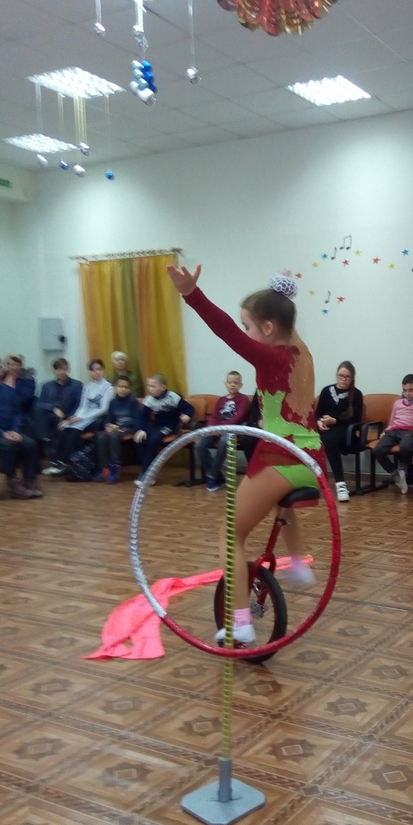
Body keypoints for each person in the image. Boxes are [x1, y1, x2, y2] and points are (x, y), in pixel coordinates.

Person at [167, 263, 324, 646]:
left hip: (282, 457)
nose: (246, 334)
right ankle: (298, 562)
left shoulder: (272, 358)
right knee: (278, 503)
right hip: (312, 460)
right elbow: (279, 324)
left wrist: (192, 295)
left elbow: (226, 332)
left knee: (229, 533)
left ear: (268, 328)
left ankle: (239, 622)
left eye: (249, 326)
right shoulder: (302, 352)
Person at [0, 353, 42, 499]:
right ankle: (13, 483)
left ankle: (29, 480)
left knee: (30, 443)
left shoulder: (9, 391)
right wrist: (2, 433)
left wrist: (15, 430)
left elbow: (17, 413)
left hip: (10, 431)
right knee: (7, 445)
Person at [48, 359, 114, 474]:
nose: (96, 372)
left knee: (73, 430)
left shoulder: (108, 388)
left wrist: (82, 418)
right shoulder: (87, 386)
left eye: (99, 369)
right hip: (85, 417)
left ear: (103, 370)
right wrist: (73, 418)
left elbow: (103, 409)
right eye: (93, 370)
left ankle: (63, 462)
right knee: (65, 427)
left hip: (99, 418)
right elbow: (83, 407)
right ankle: (57, 461)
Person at [373, 374, 413, 494]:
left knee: (405, 446)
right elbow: (392, 422)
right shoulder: (398, 403)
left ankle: (403, 470)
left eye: (411, 390)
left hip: (410, 430)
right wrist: (386, 431)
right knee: (378, 449)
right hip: (394, 430)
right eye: (405, 390)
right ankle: (395, 475)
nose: (407, 393)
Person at [196, 371, 253, 492]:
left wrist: (221, 428)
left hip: (233, 429)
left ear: (240, 385)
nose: (233, 385)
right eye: (230, 382)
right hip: (217, 429)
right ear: (225, 384)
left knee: (224, 441)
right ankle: (218, 476)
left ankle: (212, 475)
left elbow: (239, 417)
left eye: (236, 383)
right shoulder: (221, 399)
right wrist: (212, 428)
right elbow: (214, 416)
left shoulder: (243, 399)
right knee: (200, 445)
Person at [316, 361, 363, 503]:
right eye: (341, 376)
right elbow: (317, 413)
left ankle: (340, 485)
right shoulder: (326, 391)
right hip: (325, 428)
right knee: (317, 439)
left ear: (352, 378)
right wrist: (318, 422)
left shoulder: (357, 395)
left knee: (328, 441)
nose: (343, 379)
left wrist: (334, 421)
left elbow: (355, 419)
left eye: (347, 377)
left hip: (345, 430)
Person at [133, 375, 193, 486]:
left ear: (163, 387)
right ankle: (149, 472)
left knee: (154, 440)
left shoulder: (173, 396)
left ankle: (147, 474)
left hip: (171, 426)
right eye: (148, 386)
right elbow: (143, 416)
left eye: (153, 386)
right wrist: (142, 430)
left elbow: (189, 408)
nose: (149, 388)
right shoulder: (149, 399)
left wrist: (187, 415)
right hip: (157, 426)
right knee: (140, 439)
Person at [34, 358, 83, 470]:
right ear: (54, 370)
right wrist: (53, 408)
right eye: (59, 369)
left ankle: (57, 461)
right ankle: (46, 442)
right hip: (50, 417)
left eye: (65, 369)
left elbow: (79, 404)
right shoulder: (46, 386)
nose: (62, 372)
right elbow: (39, 403)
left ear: (68, 369)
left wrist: (68, 419)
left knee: (57, 427)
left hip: (68, 417)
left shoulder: (76, 385)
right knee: (37, 413)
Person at [96, 375, 141, 483]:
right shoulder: (113, 402)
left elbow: (137, 420)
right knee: (101, 437)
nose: (123, 389)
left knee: (114, 435)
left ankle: (115, 468)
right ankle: (104, 468)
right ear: (115, 388)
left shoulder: (133, 401)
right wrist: (108, 426)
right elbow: (108, 418)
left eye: (126, 387)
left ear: (129, 389)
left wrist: (119, 426)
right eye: (120, 386)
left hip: (129, 428)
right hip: (116, 428)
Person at [3, 353, 37, 420]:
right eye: (9, 364)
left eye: (15, 364)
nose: (12, 367)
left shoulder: (28, 379)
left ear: (21, 366)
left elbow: (23, 399)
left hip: (22, 414)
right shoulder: (2, 377)